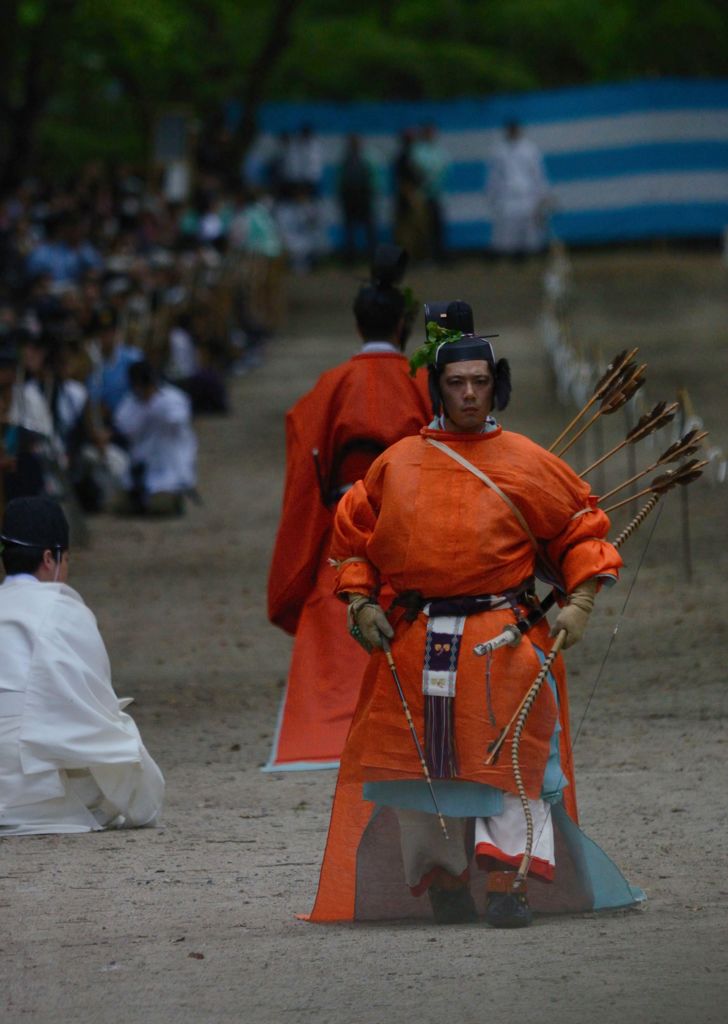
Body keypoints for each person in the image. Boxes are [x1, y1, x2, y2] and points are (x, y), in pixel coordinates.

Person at [307, 304, 644, 926]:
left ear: (497, 387)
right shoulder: (397, 463)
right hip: (416, 640)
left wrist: (582, 601)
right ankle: (443, 880)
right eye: (456, 382)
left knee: (514, 759)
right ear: (437, 387)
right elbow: (351, 536)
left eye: (479, 382)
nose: (468, 393)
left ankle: (509, 884)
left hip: (506, 639)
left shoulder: (527, 461)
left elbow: (579, 529)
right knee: (420, 766)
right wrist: (359, 602)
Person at [266, 245, 431, 771]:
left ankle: (326, 728)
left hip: (345, 526)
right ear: (403, 322)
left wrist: (311, 545)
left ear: (358, 324)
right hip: (409, 527)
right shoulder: (422, 383)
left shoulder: (330, 387)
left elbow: (306, 470)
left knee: (333, 602)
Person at [0, 496, 164, 835]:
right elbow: (94, 709)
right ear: (50, 558)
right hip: (37, 796)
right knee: (116, 733)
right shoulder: (62, 609)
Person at [112, 358, 197, 516]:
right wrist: (144, 408)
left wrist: (153, 405)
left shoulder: (172, 398)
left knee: (160, 506)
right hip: (140, 469)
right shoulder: (130, 402)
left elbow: (176, 421)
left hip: (169, 468)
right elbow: (124, 427)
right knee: (119, 505)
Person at [486, 120, 552, 260]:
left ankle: (528, 255)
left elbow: (537, 174)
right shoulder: (499, 151)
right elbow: (494, 176)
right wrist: (492, 195)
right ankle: (510, 255)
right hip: (507, 196)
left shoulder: (530, 149)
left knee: (530, 230)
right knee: (507, 230)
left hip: (527, 194)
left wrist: (543, 194)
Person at [337, 134, 376, 264]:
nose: (355, 145)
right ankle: (350, 257)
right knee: (350, 228)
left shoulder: (367, 159)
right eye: (352, 142)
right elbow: (341, 180)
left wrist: (371, 194)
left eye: (356, 142)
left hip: (363, 196)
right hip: (350, 196)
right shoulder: (345, 160)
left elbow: (373, 179)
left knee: (368, 228)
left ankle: (371, 255)